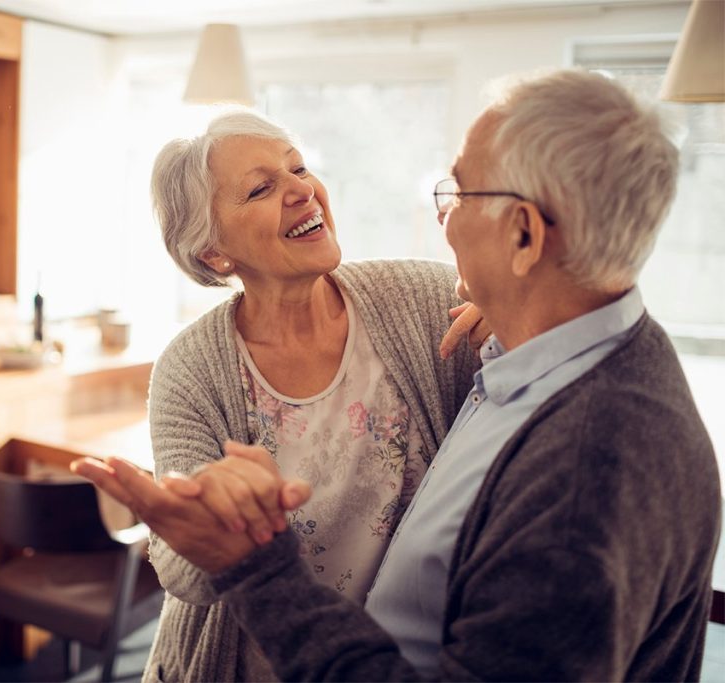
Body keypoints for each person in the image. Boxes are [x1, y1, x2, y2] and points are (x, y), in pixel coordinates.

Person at [74, 69, 721, 681]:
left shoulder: (579, 454)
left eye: (461, 191)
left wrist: (255, 561)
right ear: (213, 251)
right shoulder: (538, 361)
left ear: (523, 237)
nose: (442, 214)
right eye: (262, 186)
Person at [132, 110, 485, 681]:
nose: (301, 189)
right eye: (261, 188)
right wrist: (210, 521)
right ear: (215, 253)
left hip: (400, 664)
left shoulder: (421, 298)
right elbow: (181, 572)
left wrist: (515, 318)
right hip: (256, 661)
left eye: (297, 168)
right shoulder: (191, 368)